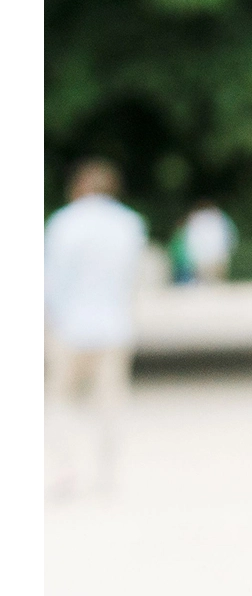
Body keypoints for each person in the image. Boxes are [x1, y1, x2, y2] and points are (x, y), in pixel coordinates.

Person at [43, 158, 147, 496]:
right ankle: (107, 473)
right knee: (110, 405)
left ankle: (65, 469)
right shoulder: (129, 224)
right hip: (114, 326)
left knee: (61, 401)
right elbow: (133, 278)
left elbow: (51, 280)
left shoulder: (63, 223)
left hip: (69, 325)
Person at [177, 200, 236, 283]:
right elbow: (230, 236)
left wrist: (191, 257)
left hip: (201, 257)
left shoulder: (195, 219)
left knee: (205, 282)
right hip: (217, 255)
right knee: (218, 282)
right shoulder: (219, 217)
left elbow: (190, 240)